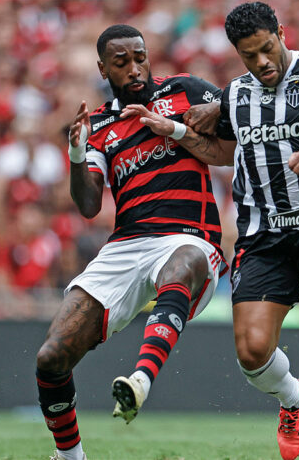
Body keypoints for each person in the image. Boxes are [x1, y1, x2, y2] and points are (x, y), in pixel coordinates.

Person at [123, 3, 299, 459]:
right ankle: (295, 398)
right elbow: (224, 151)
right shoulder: (236, 95)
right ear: (237, 54)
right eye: (250, 55)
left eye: (268, 48)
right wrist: (178, 132)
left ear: (281, 33)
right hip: (263, 236)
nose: (262, 61)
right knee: (252, 353)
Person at [34, 24, 226, 460]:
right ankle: (70, 456)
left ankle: (141, 378)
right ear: (104, 68)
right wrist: (78, 154)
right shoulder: (99, 124)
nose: (135, 69)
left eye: (140, 57)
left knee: (184, 263)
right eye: (122, 63)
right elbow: (87, 204)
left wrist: (181, 128)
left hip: (189, 236)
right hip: (127, 245)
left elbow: (230, 139)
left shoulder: (184, 90)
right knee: (51, 357)